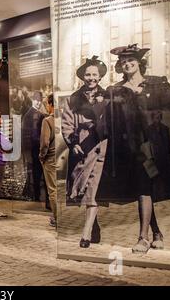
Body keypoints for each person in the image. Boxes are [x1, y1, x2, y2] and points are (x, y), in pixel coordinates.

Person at [102, 44, 170, 253]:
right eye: (123, 62)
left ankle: (147, 236)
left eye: (131, 60)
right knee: (142, 187)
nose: (127, 64)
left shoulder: (156, 85)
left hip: (154, 145)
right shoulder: (116, 90)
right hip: (130, 146)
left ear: (139, 62)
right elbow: (111, 121)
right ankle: (150, 235)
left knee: (144, 187)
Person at [61, 56, 108, 248]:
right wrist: (73, 142)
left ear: (100, 76)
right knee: (84, 188)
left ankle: (86, 233)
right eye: (88, 74)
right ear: (83, 77)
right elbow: (66, 123)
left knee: (94, 189)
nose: (91, 78)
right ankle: (94, 226)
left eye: (94, 74)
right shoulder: (73, 99)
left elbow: (113, 121)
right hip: (82, 148)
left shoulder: (107, 97)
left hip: (101, 146)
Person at [22, 91, 47, 205]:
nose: (38, 102)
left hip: (32, 148)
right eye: (37, 100)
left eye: (40, 100)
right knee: (37, 173)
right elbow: (31, 134)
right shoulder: (33, 114)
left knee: (35, 173)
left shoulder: (31, 114)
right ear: (32, 100)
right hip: (34, 148)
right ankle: (37, 196)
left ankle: (36, 195)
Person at [39, 94, 57, 227]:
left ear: (51, 105)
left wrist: (41, 156)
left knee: (53, 190)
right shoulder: (66, 118)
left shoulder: (48, 121)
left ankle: (57, 218)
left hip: (51, 158)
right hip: (65, 157)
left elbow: (45, 142)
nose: (46, 106)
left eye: (47, 104)